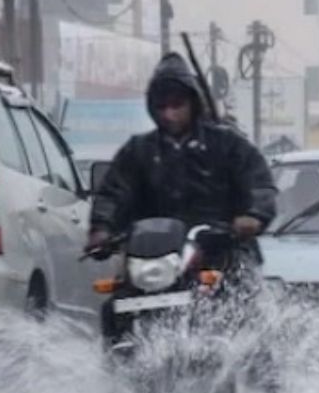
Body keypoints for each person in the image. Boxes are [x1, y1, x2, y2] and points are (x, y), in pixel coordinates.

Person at [87, 52, 277, 257]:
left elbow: (259, 184)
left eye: (177, 104)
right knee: (121, 286)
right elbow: (114, 193)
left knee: (241, 282)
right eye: (161, 106)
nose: (169, 114)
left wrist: (253, 216)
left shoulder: (228, 144)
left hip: (221, 252)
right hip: (153, 257)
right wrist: (102, 228)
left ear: (193, 103)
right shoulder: (137, 151)